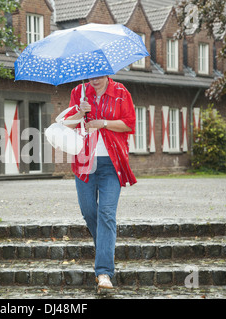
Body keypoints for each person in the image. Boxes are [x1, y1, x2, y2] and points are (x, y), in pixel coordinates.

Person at [63, 75, 137, 289]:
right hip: (84, 161)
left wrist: (102, 123)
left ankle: (104, 273)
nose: (94, 81)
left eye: (99, 77)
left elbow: (129, 124)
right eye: (91, 77)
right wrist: (80, 112)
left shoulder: (121, 92)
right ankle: (106, 246)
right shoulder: (78, 92)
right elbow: (67, 124)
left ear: (107, 74)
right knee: (89, 212)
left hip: (112, 163)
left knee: (106, 213)